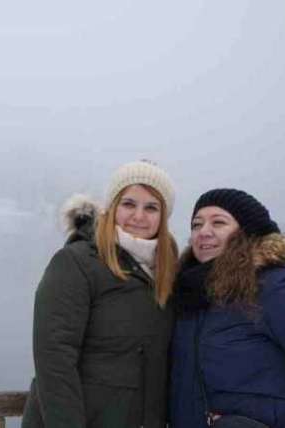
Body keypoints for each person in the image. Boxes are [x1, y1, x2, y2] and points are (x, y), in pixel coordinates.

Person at [170, 188, 285, 428]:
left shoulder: (272, 286)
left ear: (247, 233)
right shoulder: (190, 294)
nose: (203, 232)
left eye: (218, 223)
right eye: (197, 225)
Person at [22, 160, 179, 428]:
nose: (139, 216)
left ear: (163, 217)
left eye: (151, 207)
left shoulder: (167, 271)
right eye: (129, 204)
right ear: (113, 207)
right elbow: (55, 360)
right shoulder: (76, 263)